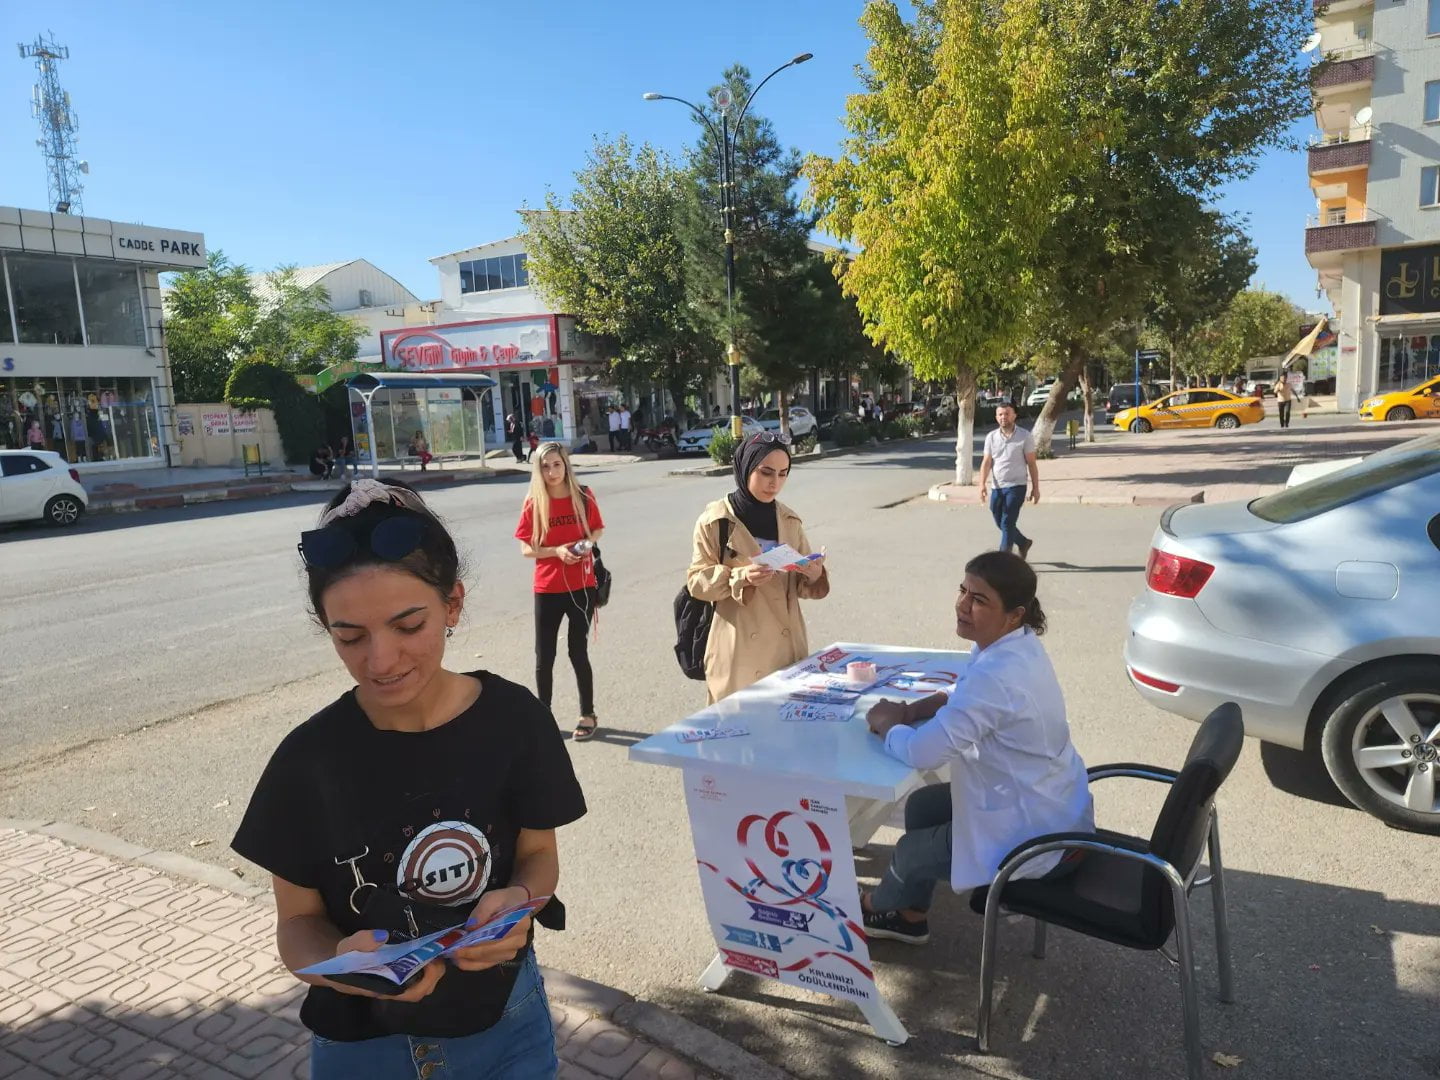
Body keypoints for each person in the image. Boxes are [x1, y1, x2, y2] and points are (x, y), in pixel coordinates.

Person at [231, 477, 586, 1078]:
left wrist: (519, 903)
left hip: (508, 1025)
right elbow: (296, 925)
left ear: (453, 604)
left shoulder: (515, 720)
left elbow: (538, 855)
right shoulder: (306, 761)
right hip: (364, 1051)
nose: (381, 660)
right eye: (350, 637)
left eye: (408, 625)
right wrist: (340, 965)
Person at [860, 552, 1094, 944]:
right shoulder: (1013, 646)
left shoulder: (999, 673)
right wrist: (915, 708)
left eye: (980, 600)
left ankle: (876, 906)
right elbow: (965, 692)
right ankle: (910, 914)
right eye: (963, 591)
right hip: (1050, 803)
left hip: (1033, 836)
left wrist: (887, 725)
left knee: (911, 851)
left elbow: (923, 753)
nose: (963, 605)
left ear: (1015, 614)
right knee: (921, 806)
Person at [686, 432, 829, 704]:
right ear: (746, 466)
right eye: (766, 472)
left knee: (787, 733)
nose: (775, 483)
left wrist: (813, 574)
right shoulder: (716, 521)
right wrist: (739, 576)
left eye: (783, 473)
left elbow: (802, 584)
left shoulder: (789, 520)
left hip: (785, 645)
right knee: (740, 733)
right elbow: (696, 581)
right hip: (738, 647)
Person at [515, 442, 604, 741]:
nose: (552, 471)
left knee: (577, 651)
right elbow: (526, 548)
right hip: (548, 586)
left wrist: (583, 547)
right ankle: (545, 715)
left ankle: (588, 713)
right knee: (545, 655)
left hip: (581, 586)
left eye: (556, 464)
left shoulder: (583, 496)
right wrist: (556, 551)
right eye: (545, 466)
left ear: (565, 464)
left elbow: (597, 530)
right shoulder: (534, 502)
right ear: (538, 470)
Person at [978, 403, 1040, 560]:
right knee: (1000, 521)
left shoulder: (1025, 436)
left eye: (1006, 414)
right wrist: (982, 485)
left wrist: (1035, 488)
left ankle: (1004, 560)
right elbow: (986, 462)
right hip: (997, 486)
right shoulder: (991, 437)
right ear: (996, 417)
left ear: (1014, 416)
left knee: (1007, 522)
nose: (1003, 417)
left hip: (1017, 486)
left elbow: (1031, 463)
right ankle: (1023, 542)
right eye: (1000, 414)